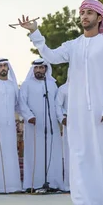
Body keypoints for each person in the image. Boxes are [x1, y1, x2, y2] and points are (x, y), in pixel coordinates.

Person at [18, 0, 103, 205]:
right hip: (77, 112)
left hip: (101, 113)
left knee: (101, 155)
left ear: (99, 17)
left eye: (89, 13)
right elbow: (51, 56)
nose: (84, 16)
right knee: (78, 155)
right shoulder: (73, 45)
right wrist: (35, 33)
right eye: (82, 13)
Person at [19, 59, 63, 192]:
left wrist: (60, 117)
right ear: (33, 70)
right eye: (36, 68)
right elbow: (22, 103)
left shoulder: (52, 85)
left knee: (52, 152)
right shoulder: (26, 84)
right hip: (34, 125)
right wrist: (29, 116)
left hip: (51, 125)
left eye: (41, 68)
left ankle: (52, 183)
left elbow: (57, 104)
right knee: (35, 154)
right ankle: (34, 183)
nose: (39, 71)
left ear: (45, 69)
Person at [0, 58, 22, 194]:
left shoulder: (13, 85)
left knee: (10, 153)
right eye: (0, 66)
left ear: (8, 68)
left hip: (9, 125)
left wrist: (24, 117)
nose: (2, 68)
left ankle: (12, 186)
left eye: (5, 66)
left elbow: (18, 104)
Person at [55, 80, 70, 191]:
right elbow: (58, 105)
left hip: (84, 125)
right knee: (69, 153)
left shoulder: (85, 86)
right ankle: (69, 183)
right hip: (69, 124)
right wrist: (62, 118)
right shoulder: (63, 89)